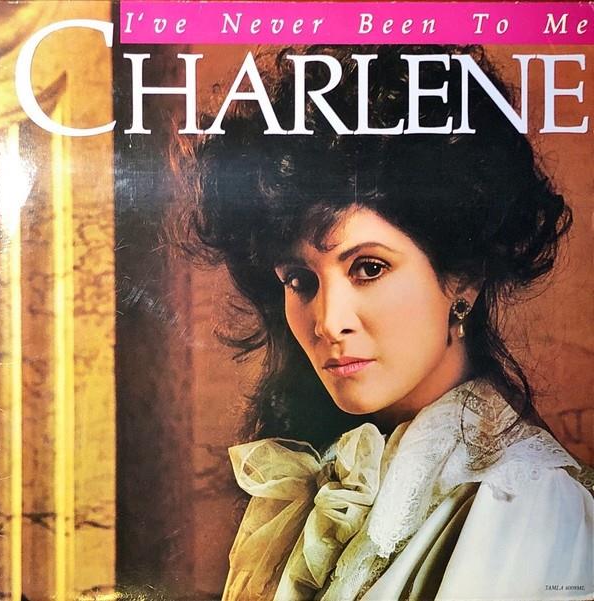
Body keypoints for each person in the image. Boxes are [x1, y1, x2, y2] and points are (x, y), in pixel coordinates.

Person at [172, 45, 593, 600]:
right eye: (300, 280)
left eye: (369, 268)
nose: (328, 321)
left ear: (463, 280)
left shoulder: (525, 506)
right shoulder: (317, 486)